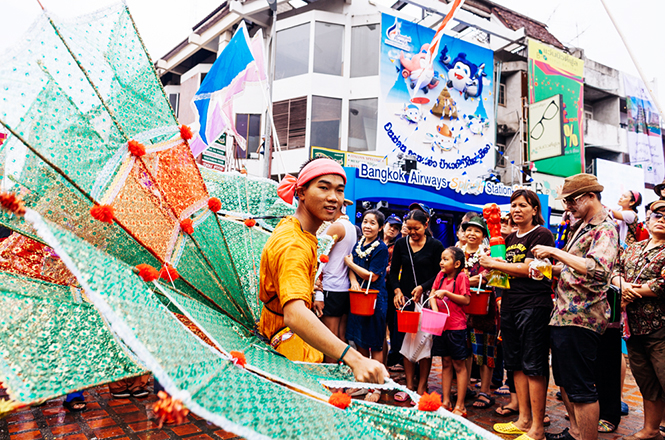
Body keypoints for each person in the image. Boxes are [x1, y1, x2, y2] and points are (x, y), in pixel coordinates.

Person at [261, 157, 387, 383]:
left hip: (292, 340)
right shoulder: (294, 243)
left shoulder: (300, 231)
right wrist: (355, 359)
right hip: (287, 349)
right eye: (323, 187)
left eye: (339, 190)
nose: (333, 197)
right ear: (301, 192)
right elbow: (294, 314)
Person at [532, 174, 619, 440]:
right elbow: (576, 267)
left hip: (582, 317)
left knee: (581, 388)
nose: (568, 206)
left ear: (591, 196)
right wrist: (551, 269)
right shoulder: (583, 226)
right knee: (568, 383)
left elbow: (598, 268)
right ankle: (576, 432)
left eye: (571, 200)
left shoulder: (605, 227)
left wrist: (555, 253)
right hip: (564, 314)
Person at [480, 189, 554, 440]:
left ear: (535, 210)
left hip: (533, 305)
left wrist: (495, 265)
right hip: (510, 305)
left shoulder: (542, 234)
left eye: (523, 205)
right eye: (513, 205)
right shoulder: (509, 238)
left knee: (534, 365)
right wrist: (490, 272)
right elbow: (502, 274)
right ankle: (523, 420)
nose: (516, 209)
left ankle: (537, 429)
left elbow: (535, 269)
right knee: (516, 365)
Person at [611, 199, 665, 440]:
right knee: (647, 381)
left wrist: (635, 290)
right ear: (648, 219)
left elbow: (662, 284)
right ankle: (651, 429)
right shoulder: (633, 247)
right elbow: (614, 270)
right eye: (657, 215)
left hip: (661, 327)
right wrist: (621, 284)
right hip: (633, 327)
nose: (662, 219)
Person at [391, 209, 444, 397]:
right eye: (409, 228)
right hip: (406, 300)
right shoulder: (401, 244)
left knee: (425, 342)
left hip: (427, 299)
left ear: (426, 224)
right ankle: (410, 384)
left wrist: (423, 287)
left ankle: (422, 385)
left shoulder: (436, 246)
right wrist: (397, 291)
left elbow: (440, 273)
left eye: (417, 229)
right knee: (407, 341)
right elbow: (394, 271)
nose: (412, 233)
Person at [344, 209, 389, 402]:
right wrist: (353, 280)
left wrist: (351, 266)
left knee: (376, 345)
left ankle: (376, 388)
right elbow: (351, 266)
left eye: (372, 223)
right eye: (365, 222)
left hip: (375, 300)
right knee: (361, 342)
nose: (367, 226)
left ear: (380, 227)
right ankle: (364, 384)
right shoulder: (359, 244)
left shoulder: (381, 249)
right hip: (358, 298)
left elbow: (372, 276)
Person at [430, 246, 471, 417]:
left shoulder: (461, 277)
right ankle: (446, 400)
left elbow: (466, 300)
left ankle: (460, 405)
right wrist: (436, 312)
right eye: (441, 258)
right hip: (441, 326)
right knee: (445, 363)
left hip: (456, 327)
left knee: (459, 365)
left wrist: (447, 293)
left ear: (457, 263)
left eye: (446, 259)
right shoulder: (440, 276)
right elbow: (433, 293)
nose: (441, 262)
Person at [462, 216, 497, 410]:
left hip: (483, 309)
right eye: (469, 230)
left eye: (477, 231)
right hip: (461, 310)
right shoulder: (458, 252)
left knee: (485, 351)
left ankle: (485, 391)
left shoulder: (488, 253)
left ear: (483, 235)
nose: (472, 234)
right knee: (464, 351)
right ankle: (465, 386)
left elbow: (488, 275)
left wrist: (465, 281)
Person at [318, 203, 357, 361]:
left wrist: (318, 292)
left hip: (330, 286)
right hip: (342, 287)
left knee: (330, 338)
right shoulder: (351, 227)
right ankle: (340, 378)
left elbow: (320, 258)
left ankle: (331, 381)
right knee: (340, 337)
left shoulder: (337, 227)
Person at [383, 214, 403, 367]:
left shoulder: (398, 246)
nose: (393, 230)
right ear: (384, 226)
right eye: (391, 226)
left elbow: (396, 268)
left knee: (393, 325)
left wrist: (381, 269)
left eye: (396, 228)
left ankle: (394, 357)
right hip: (374, 289)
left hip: (391, 289)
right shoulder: (373, 241)